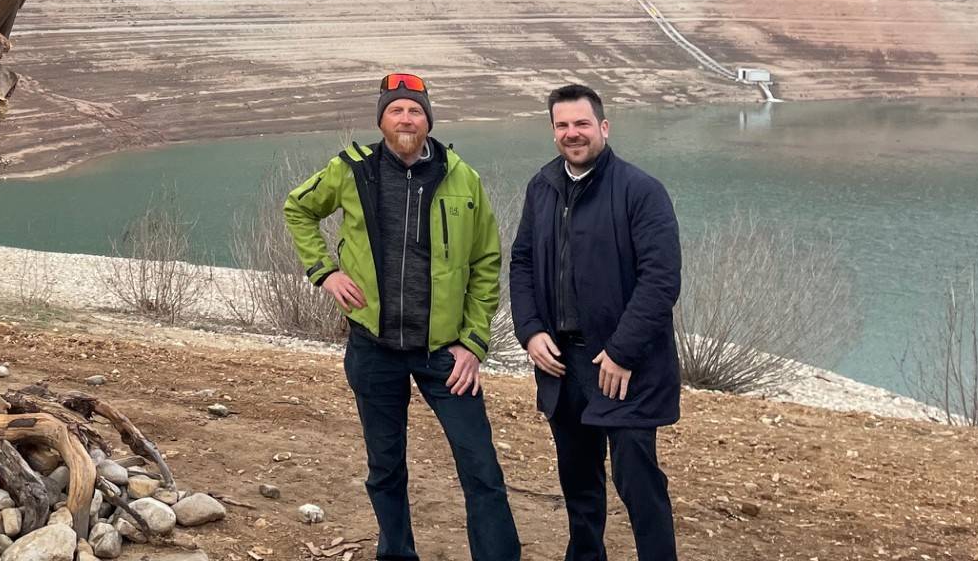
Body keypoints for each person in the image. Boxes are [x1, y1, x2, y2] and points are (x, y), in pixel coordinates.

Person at [284, 72, 521, 561]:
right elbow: (297, 209)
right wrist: (324, 271)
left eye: (415, 110)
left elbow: (486, 263)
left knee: (481, 468)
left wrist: (474, 344)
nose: (406, 118)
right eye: (397, 110)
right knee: (385, 467)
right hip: (374, 349)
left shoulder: (463, 178)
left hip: (446, 357)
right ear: (382, 120)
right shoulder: (351, 169)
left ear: (428, 120)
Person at [508, 83, 681, 561]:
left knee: (638, 483)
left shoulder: (640, 191)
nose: (572, 133)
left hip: (624, 366)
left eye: (582, 124)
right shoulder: (542, 187)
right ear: (552, 131)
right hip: (562, 364)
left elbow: (661, 281)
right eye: (562, 125)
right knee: (579, 481)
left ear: (603, 127)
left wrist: (623, 351)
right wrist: (531, 331)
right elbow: (521, 262)